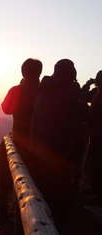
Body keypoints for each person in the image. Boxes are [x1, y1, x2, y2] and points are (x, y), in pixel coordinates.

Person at [31, 59, 88, 224]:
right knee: (60, 196)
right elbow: (82, 113)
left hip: (41, 148)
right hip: (63, 152)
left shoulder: (45, 88)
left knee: (46, 190)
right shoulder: (68, 91)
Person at [1, 58, 42, 152]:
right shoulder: (45, 90)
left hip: (20, 138)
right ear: (39, 73)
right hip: (41, 141)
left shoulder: (16, 90)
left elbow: (6, 109)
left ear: (23, 73)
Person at [83, 71, 102, 201]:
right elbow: (82, 96)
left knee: (96, 162)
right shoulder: (96, 92)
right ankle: (95, 189)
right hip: (95, 134)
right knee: (93, 162)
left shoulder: (97, 93)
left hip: (98, 134)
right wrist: (87, 84)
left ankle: (98, 192)